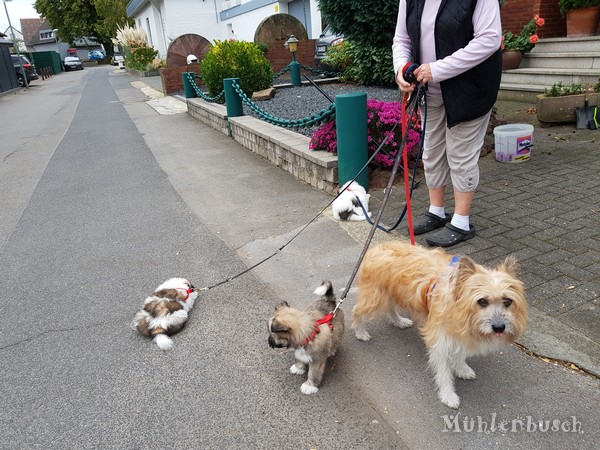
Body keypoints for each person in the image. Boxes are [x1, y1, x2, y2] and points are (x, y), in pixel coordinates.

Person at [392, 0, 502, 247]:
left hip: (470, 91)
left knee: (460, 156)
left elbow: (489, 39)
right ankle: (436, 211)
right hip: (429, 93)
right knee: (432, 152)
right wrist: (401, 68)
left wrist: (438, 69)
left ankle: (461, 222)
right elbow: (402, 39)